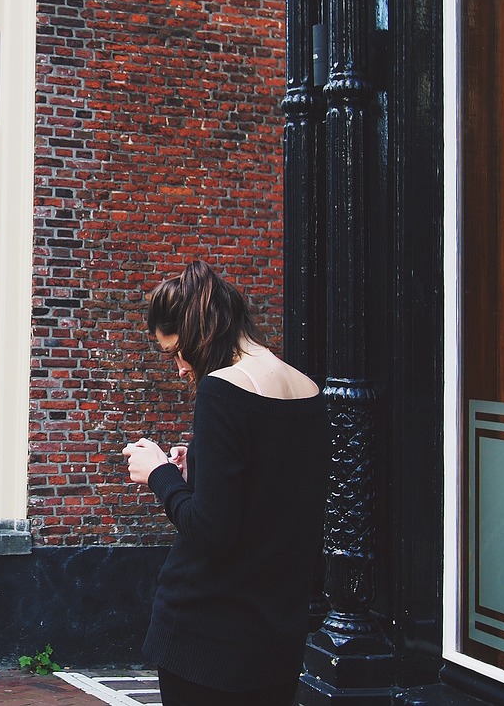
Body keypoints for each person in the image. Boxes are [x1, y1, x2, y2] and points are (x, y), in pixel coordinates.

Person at [123, 259, 328, 706]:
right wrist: (196, 464)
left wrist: (158, 473)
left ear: (200, 333)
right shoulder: (308, 390)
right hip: (276, 635)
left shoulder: (221, 389)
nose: (178, 369)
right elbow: (272, 495)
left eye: (176, 352)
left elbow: (213, 531)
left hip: (208, 635)